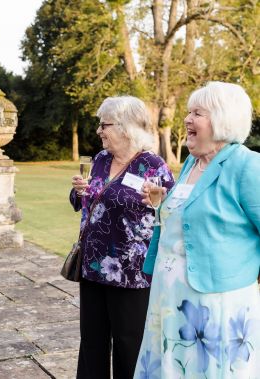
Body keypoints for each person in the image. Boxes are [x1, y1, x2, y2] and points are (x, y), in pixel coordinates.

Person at [134, 82, 260, 378]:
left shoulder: (247, 165)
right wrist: (161, 203)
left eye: (197, 114)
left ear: (222, 119)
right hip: (169, 293)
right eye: (189, 112)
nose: (187, 120)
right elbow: (192, 215)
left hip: (216, 300)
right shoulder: (191, 162)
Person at [70, 96, 175, 379]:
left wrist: (159, 201)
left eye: (104, 125)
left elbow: (172, 213)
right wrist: (79, 192)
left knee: (130, 346)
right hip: (93, 266)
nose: (99, 131)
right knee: (92, 342)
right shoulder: (101, 160)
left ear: (126, 127)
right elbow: (88, 201)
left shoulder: (153, 165)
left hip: (132, 272)